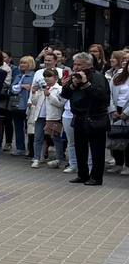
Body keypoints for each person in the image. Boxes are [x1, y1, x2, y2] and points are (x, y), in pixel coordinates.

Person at [62, 51, 111, 185]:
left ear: (87, 64)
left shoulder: (98, 77)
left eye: (79, 64)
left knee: (97, 151)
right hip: (79, 117)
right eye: (75, 64)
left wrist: (85, 84)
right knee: (80, 149)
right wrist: (72, 83)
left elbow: (102, 97)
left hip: (96, 118)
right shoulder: (74, 76)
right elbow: (64, 94)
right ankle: (82, 175)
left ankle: (96, 177)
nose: (75, 67)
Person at [29, 67, 58, 168]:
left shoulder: (59, 89)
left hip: (53, 117)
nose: (47, 78)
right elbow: (34, 102)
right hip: (40, 116)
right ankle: (36, 158)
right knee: (37, 138)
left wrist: (49, 95)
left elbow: (60, 104)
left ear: (56, 78)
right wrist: (34, 92)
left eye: (49, 76)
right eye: (45, 76)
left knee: (55, 138)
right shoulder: (42, 88)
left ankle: (58, 159)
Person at [8, 56, 37, 158]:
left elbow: (33, 89)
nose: (22, 65)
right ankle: (20, 148)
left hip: (28, 105)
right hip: (17, 105)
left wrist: (22, 87)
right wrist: (22, 86)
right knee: (18, 127)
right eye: (21, 63)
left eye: (24, 63)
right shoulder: (18, 76)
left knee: (29, 128)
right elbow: (12, 88)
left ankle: (31, 150)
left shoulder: (34, 76)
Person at [108, 57, 129, 175]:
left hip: (127, 113)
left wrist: (126, 113)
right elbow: (108, 93)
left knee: (127, 141)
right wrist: (112, 110)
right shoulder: (118, 76)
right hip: (115, 112)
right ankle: (118, 163)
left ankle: (128, 165)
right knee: (115, 138)